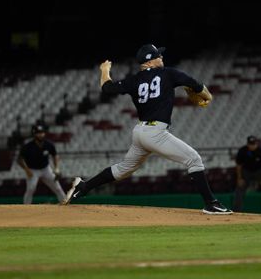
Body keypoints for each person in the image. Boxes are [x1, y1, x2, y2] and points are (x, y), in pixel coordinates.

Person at [64, 44, 232, 215]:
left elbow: (107, 88)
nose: (162, 58)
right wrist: (207, 96)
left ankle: (84, 186)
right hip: (155, 133)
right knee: (194, 160)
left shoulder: (134, 79)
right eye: (158, 56)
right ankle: (211, 203)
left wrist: (105, 70)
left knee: (123, 169)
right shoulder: (169, 73)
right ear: (150, 60)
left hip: (140, 132)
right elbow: (196, 85)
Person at [17, 123, 67, 205]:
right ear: (34, 134)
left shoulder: (49, 144)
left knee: (57, 188)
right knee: (31, 189)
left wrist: (57, 168)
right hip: (33, 170)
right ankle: (25, 207)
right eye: (38, 133)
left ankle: (65, 203)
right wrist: (26, 170)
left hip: (45, 169)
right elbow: (19, 159)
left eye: (42, 132)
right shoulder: (28, 146)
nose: (41, 135)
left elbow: (55, 156)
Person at [233, 135, 261, 214]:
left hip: (259, 172)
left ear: (256, 143)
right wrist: (239, 178)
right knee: (240, 187)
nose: (252, 146)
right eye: (250, 144)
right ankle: (237, 210)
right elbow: (239, 165)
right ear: (247, 144)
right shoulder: (242, 151)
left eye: (254, 144)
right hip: (246, 172)